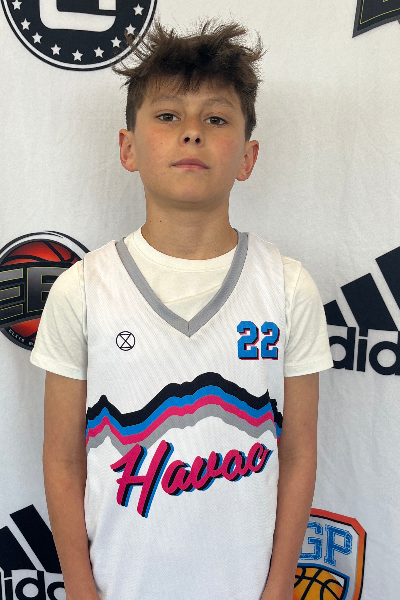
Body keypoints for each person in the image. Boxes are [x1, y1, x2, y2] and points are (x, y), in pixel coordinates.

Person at [31, 20, 333, 600]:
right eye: (168, 116)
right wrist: (80, 589)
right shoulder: (83, 289)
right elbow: (62, 461)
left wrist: (278, 588)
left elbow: (298, 456)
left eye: (216, 119)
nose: (192, 132)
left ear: (247, 156)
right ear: (128, 148)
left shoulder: (287, 287)